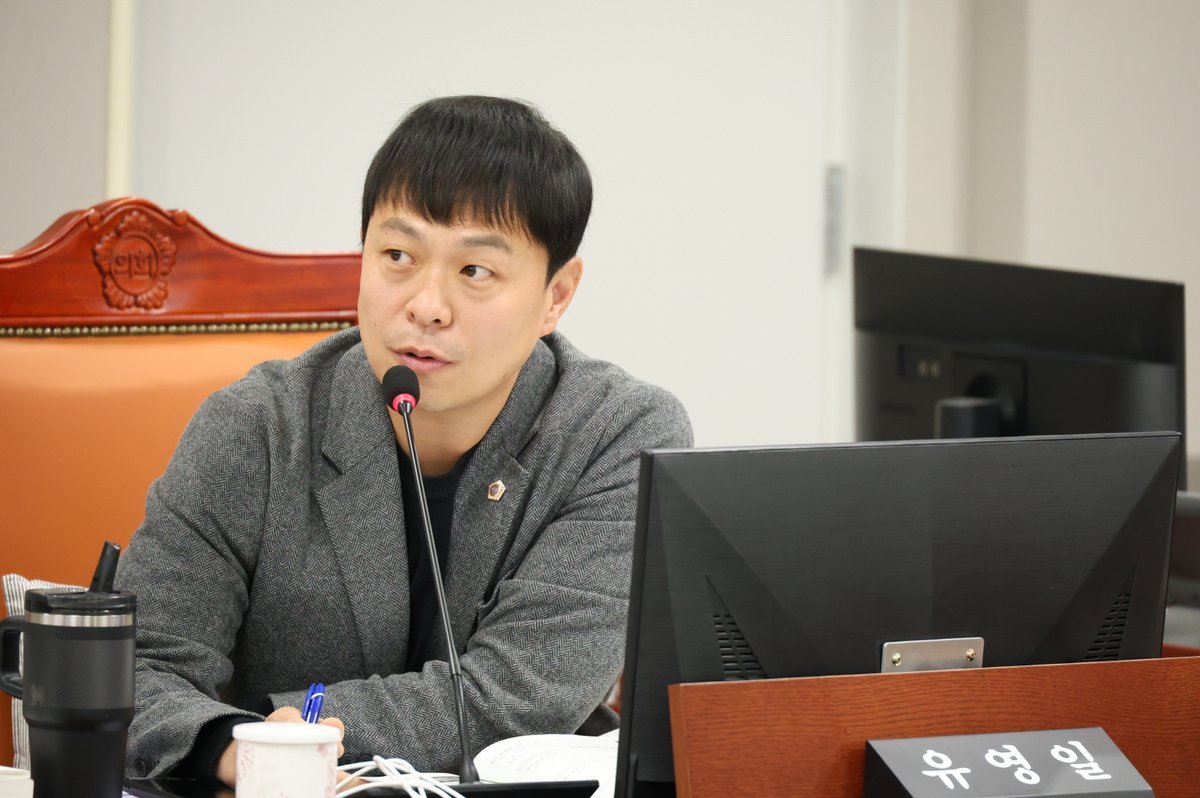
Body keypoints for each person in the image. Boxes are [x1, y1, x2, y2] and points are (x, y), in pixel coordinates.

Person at [114, 95, 692, 787]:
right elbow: (136, 668)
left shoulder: (618, 436)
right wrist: (234, 747)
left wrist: (285, 731)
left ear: (556, 295)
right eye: (397, 255)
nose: (426, 306)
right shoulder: (256, 428)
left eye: (475, 271)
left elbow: (517, 697)